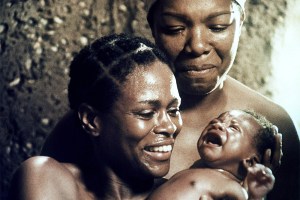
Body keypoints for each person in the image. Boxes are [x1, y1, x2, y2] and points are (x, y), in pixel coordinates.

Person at [41, 0, 300, 199]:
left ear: (241, 21)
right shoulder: (89, 124)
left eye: (218, 26)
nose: (197, 46)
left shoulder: (272, 127)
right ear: (153, 26)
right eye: (174, 28)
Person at [8, 33, 183, 200]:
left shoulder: (191, 191)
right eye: (146, 113)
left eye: (173, 110)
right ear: (91, 120)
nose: (169, 127)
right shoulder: (43, 178)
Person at [147, 109, 276, 200]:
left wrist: (255, 196)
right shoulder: (197, 169)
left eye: (233, 127)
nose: (218, 125)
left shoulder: (233, 188)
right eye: (214, 121)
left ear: (250, 162)